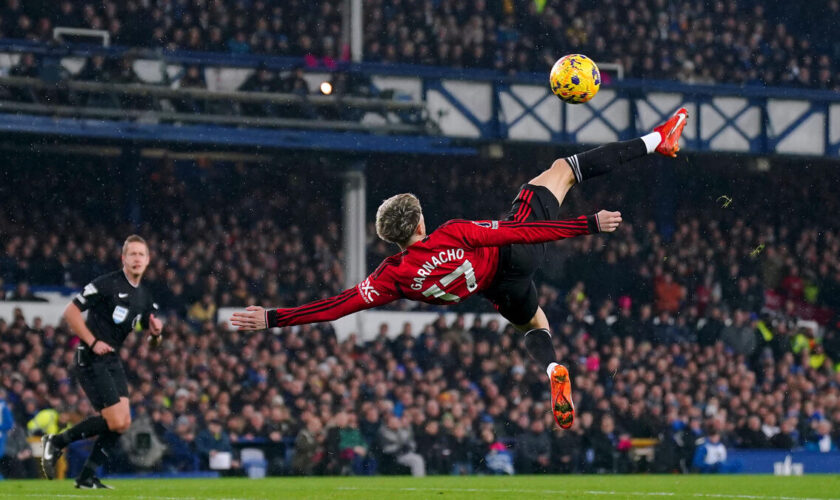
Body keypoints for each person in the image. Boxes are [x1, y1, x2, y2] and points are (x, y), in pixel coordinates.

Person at [232, 108, 689, 430]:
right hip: (516, 254)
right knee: (562, 169)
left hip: (499, 289)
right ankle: (658, 139)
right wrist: (586, 224)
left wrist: (273, 317)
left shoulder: (392, 276)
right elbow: (517, 234)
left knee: (535, 322)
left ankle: (552, 368)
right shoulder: (452, 233)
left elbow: (337, 307)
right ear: (419, 222)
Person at [41, 235, 162, 489]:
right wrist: (93, 341)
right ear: (124, 259)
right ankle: (57, 442)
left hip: (111, 359)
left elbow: (151, 342)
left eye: (142, 254)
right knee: (116, 421)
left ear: (148, 260)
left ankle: (86, 477)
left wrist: (156, 335)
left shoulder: (144, 297)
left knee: (123, 423)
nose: (137, 259)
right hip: (90, 357)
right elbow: (71, 312)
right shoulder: (106, 284)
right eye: (133, 254)